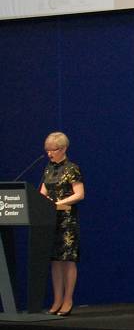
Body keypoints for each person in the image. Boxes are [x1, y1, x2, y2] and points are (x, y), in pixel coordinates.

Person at [39, 132, 84, 316]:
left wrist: (58, 203)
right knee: (55, 261)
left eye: (53, 150)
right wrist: (44, 202)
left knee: (67, 259)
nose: (49, 154)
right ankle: (57, 299)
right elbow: (41, 193)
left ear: (64, 149)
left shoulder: (72, 168)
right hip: (51, 219)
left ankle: (68, 299)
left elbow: (79, 194)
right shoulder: (48, 169)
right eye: (47, 150)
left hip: (67, 219)